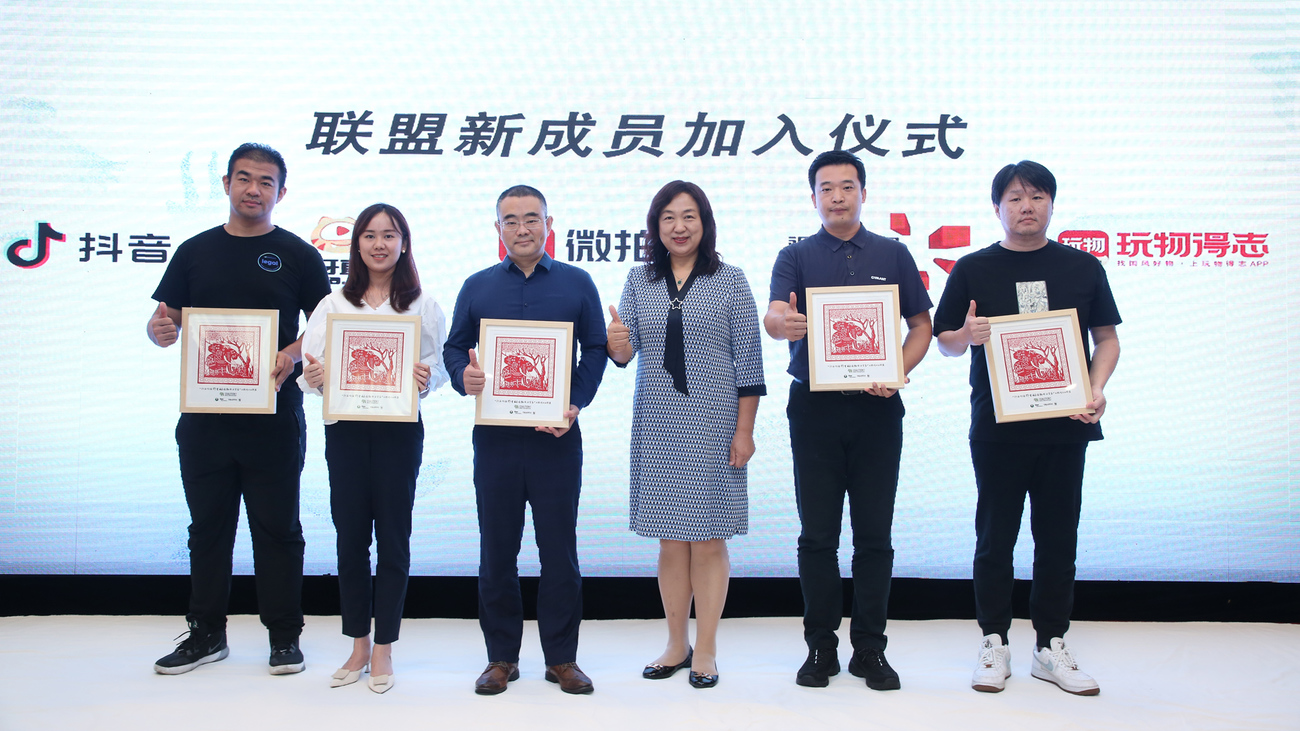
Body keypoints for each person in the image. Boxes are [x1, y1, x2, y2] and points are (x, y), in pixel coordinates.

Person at [933, 161, 1120, 696]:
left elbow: (1107, 340)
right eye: (1014, 198)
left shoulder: (1082, 267)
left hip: (1066, 425)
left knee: (1058, 538)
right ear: (997, 208)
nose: (1026, 207)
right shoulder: (972, 268)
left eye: (1036, 197)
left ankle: (1050, 645)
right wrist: (964, 334)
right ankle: (994, 641)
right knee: (996, 538)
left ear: (1052, 204)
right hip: (997, 427)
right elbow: (944, 339)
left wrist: (1095, 386)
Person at [147, 143, 331, 675]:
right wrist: (160, 330)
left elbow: (320, 334)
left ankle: (283, 635)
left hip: (274, 418)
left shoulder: (299, 254)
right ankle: (206, 634)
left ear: (281, 191)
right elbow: (167, 321)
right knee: (208, 528)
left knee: (278, 528)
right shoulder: (194, 251)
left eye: (266, 181)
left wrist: (290, 356)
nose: (254, 189)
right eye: (245, 178)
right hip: (204, 420)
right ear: (226, 183)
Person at [764, 150, 933, 690]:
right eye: (826, 188)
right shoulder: (795, 256)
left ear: (864, 192)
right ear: (812, 197)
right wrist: (781, 323)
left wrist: (898, 371)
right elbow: (773, 316)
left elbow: (921, 327)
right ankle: (820, 648)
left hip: (878, 407)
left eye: (847, 186)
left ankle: (870, 649)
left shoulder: (894, 254)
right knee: (817, 535)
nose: (837, 196)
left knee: (874, 536)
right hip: (813, 407)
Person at [443, 185, 607, 696]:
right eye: (510, 221)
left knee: (560, 552)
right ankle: (500, 659)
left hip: (556, 440)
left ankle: (562, 659)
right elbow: (454, 348)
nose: (522, 229)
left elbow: (597, 349)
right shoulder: (476, 286)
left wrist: (575, 403)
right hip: (495, 439)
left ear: (548, 223)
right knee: (497, 552)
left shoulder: (578, 283)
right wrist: (461, 377)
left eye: (531, 219)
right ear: (497, 229)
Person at [606, 181, 765, 690]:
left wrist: (745, 430)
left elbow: (750, 363)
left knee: (709, 541)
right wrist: (615, 342)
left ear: (705, 223)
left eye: (689, 216)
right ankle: (676, 643)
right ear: (656, 226)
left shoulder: (731, 280)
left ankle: (709, 648)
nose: (679, 226)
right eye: (669, 217)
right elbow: (625, 355)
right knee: (671, 541)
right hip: (657, 422)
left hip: (715, 423)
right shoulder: (639, 280)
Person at [299, 203, 449, 694]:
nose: (379, 244)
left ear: (403, 243)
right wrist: (314, 378)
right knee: (350, 538)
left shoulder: (422, 304)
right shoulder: (333, 303)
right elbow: (310, 370)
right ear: (357, 244)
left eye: (389, 235)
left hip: (398, 432)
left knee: (394, 537)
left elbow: (440, 368)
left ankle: (384, 647)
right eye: (369, 235)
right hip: (345, 430)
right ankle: (358, 642)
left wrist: (427, 380)